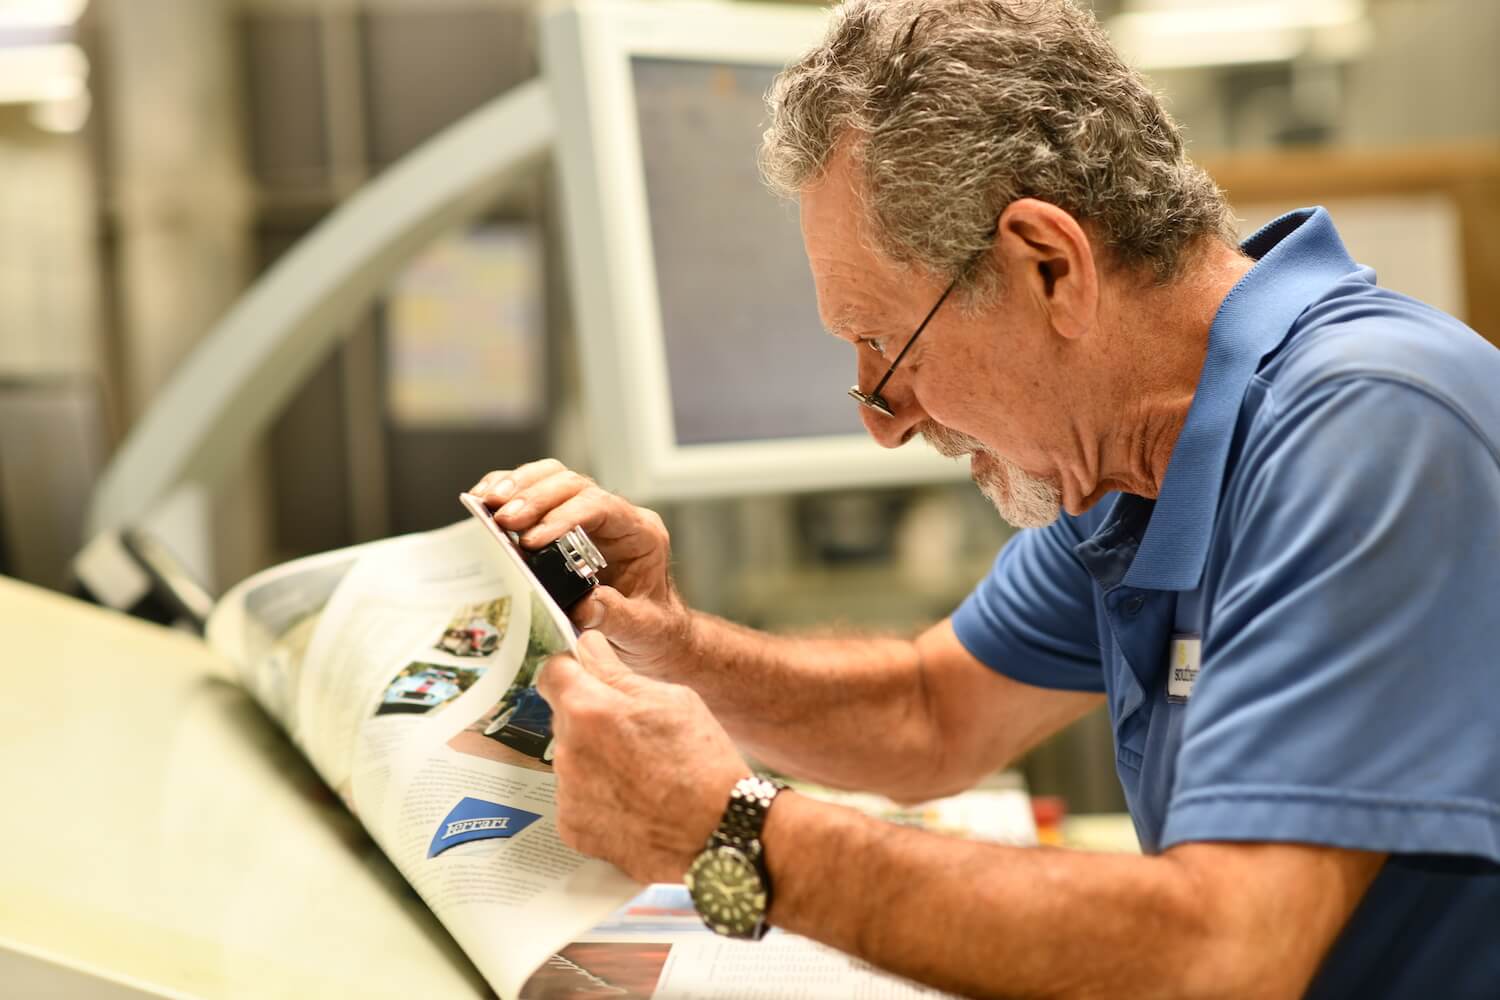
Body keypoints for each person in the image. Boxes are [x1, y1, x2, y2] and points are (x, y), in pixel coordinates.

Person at [473, 1, 1500, 995]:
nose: (883, 418)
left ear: (1049, 265)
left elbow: (1223, 953)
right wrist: (670, 642)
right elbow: (931, 713)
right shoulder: (1135, 467)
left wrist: (732, 831)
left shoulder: (1371, 428)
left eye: (888, 343)